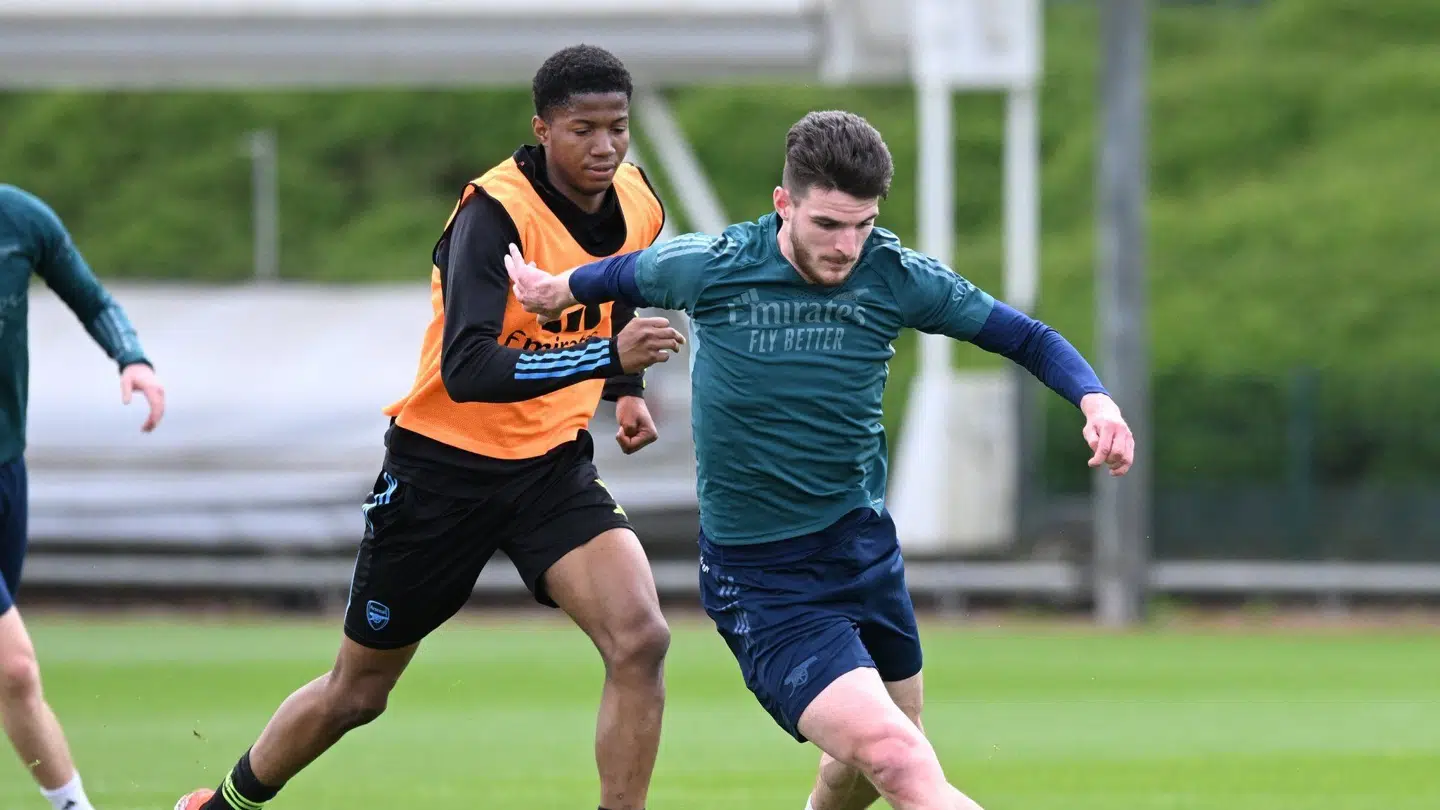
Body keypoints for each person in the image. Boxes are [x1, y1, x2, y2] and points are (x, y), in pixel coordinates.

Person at [505, 110, 1137, 810]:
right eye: (827, 226)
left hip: (863, 550)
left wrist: (1096, 402)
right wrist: (553, 290)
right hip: (765, 576)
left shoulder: (895, 275)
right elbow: (619, 275)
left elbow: (1028, 337)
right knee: (899, 756)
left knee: (866, 764)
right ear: (784, 204)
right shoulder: (713, 267)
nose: (846, 247)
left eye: (862, 225)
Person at [176, 45, 683, 810]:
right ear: (542, 128)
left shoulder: (640, 200)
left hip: (550, 471)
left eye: (617, 127)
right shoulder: (493, 215)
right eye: (584, 129)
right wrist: (603, 356)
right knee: (358, 693)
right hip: (441, 473)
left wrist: (625, 386)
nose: (606, 146)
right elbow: (469, 371)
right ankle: (223, 804)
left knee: (641, 639)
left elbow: (607, 289)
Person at [0, 184, 166, 810]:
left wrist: (132, 358)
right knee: (14, 665)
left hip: (7, 470)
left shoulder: (20, 219)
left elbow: (92, 299)